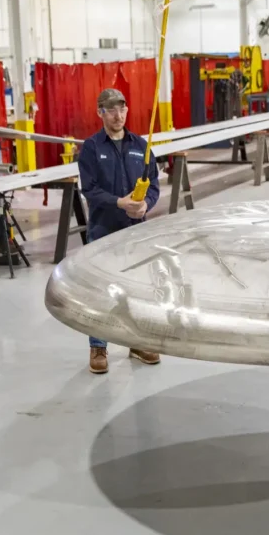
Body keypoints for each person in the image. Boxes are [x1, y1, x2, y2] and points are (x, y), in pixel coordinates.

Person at [77, 88, 162, 374]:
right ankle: (98, 346)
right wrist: (119, 202)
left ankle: (136, 341)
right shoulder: (91, 148)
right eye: (111, 109)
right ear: (100, 112)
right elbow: (89, 189)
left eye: (122, 108)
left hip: (135, 230)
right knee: (101, 289)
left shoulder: (141, 144)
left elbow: (153, 184)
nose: (118, 114)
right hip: (104, 229)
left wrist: (145, 204)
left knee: (135, 288)